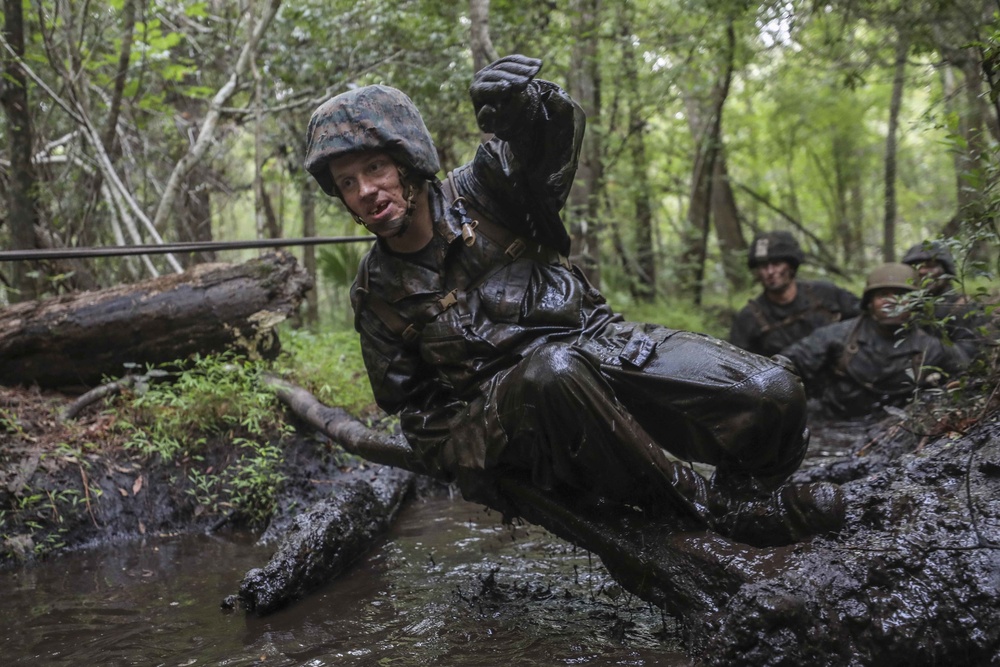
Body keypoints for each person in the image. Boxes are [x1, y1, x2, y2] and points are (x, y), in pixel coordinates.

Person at [303, 55, 844, 548]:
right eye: (348, 183)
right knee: (552, 373)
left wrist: (527, 113)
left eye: (375, 169)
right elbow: (416, 413)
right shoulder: (376, 294)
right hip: (522, 423)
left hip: (602, 347)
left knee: (772, 392)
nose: (366, 192)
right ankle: (704, 513)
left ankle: (741, 497)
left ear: (407, 161)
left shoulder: (486, 188)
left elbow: (546, 153)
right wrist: (479, 452)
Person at [780, 263, 970, 420]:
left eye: (901, 295)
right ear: (870, 303)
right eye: (883, 295)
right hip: (835, 424)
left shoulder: (933, 349)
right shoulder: (836, 336)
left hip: (895, 432)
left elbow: (967, 378)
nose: (892, 302)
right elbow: (786, 366)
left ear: (914, 304)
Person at [729, 231, 861, 358]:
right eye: (763, 266)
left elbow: (865, 321)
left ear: (791, 266)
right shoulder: (748, 318)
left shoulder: (825, 294)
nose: (770, 272)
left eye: (776, 264)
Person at [902, 239, 990, 359]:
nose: (922, 271)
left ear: (946, 271)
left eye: (930, 266)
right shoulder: (903, 308)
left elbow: (971, 357)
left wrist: (929, 344)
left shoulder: (962, 307)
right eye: (916, 267)